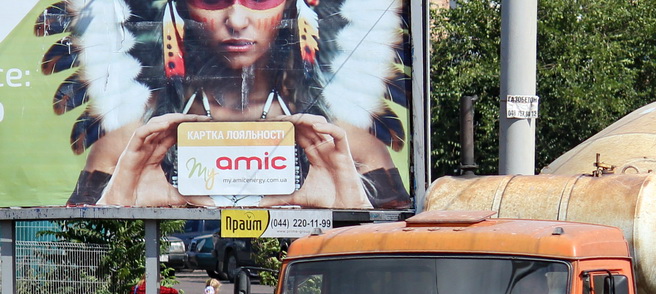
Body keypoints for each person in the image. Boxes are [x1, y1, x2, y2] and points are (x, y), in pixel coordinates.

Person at [62, 0, 409, 210]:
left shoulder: (344, 144)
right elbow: (82, 252)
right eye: (213, 0)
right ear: (182, 7)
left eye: (260, 0)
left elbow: (390, 251)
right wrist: (121, 198)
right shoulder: (128, 146)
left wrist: (351, 203)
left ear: (291, 6)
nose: (237, 20)